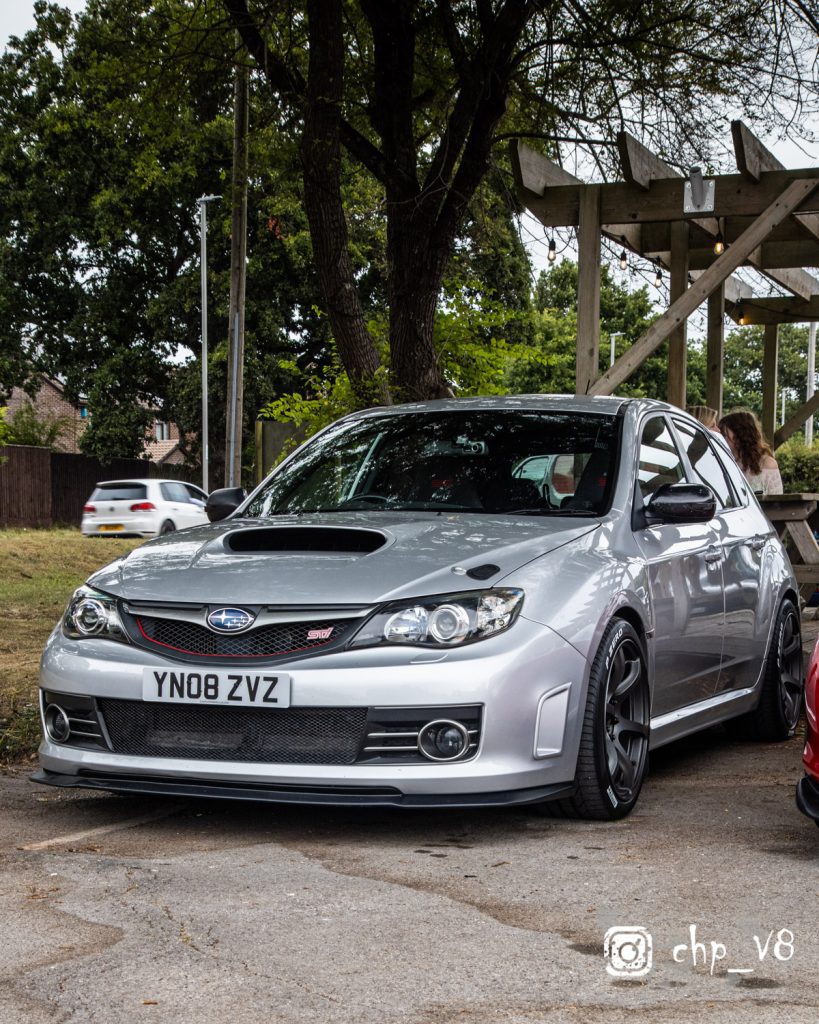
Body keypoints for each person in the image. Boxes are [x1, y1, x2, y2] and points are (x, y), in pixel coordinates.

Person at [718, 409, 783, 495]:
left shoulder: (766, 463)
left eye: (724, 435)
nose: (720, 438)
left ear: (740, 434)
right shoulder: (722, 461)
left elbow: (776, 502)